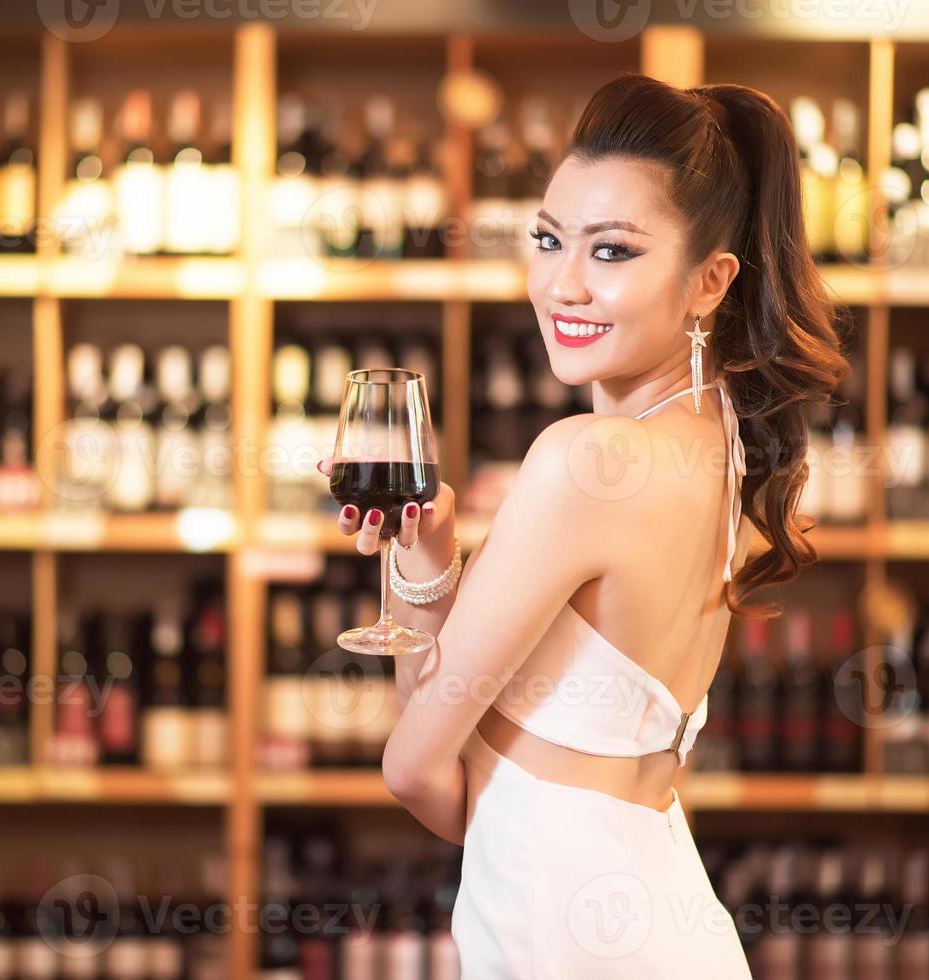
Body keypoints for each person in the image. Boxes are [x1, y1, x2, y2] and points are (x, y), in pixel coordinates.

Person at [317, 73, 848, 977]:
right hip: (658, 916)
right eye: (549, 239)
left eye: (613, 253)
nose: (563, 284)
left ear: (709, 281)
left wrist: (417, 588)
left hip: (562, 933)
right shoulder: (727, 444)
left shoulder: (583, 460)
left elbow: (415, 767)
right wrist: (428, 551)